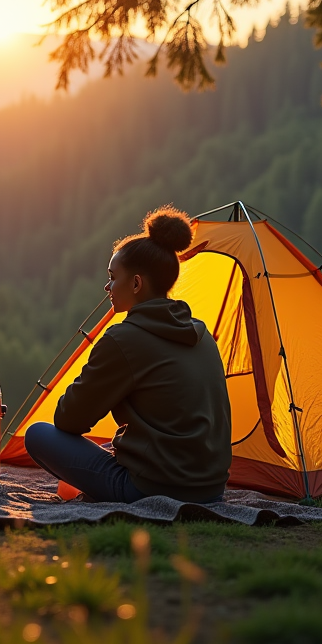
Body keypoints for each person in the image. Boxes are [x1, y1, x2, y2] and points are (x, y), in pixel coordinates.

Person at [24, 206, 231, 503]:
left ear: (136, 283)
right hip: (211, 488)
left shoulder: (123, 339)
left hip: (152, 489)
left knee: (38, 435)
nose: (107, 286)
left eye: (112, 277)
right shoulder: (201, 333)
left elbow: (68, 419)